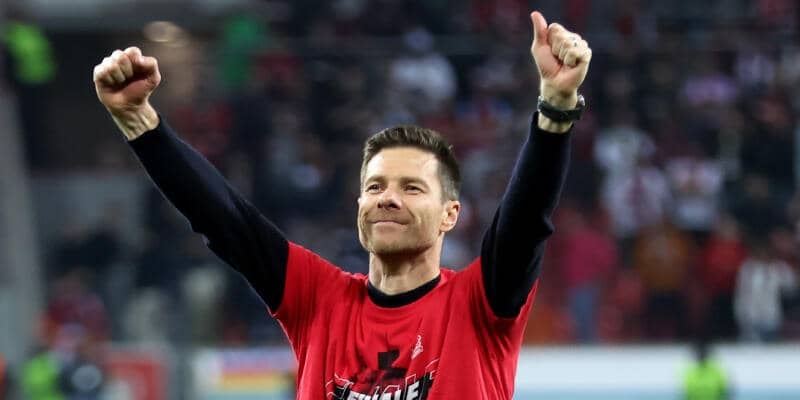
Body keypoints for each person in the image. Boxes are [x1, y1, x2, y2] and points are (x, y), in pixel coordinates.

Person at [92, 10, 591, 399]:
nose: (387, 198)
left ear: (450, 215)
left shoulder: (478, 304)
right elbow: (225, 221)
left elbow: (525, 223)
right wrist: (140, 123)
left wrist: (555, 109)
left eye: (411, 188)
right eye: (375, 187)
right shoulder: (318, 300)